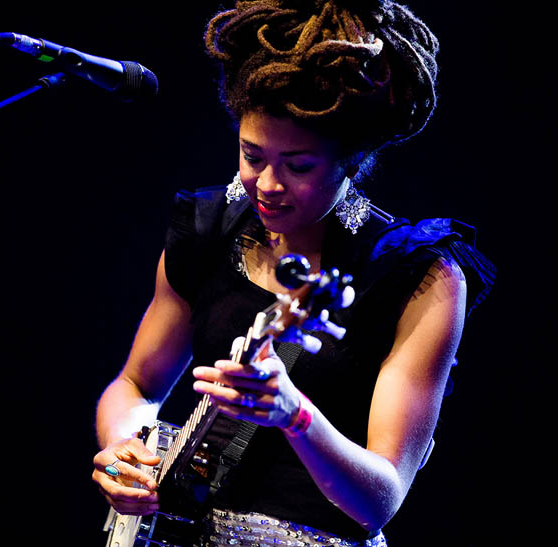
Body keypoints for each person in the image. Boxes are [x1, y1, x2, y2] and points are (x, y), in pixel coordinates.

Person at [92, 1, 494, 545]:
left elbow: (380, 499)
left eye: (299, 166)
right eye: (251, 155)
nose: (267, 184)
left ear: (351, 161)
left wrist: (295, 414)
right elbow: (135, 384)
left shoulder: (420, 276)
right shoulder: (206, 231)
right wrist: (124, 450)